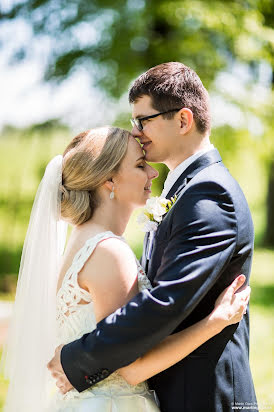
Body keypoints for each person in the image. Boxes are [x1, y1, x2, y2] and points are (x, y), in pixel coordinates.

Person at [48, 63, 257, 412]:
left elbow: (165, 303)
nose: (137, 132)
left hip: (205, 396)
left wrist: (76, 360)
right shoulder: (185, 191)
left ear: (183, 120)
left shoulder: (209, 195)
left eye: (143, 120)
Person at [2, 126, 249, 412]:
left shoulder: (81, 240)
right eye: (140, 165)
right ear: (110, 180)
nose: (153, 173)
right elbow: (133, 369)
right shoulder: (109, 252)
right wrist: (217, 321)